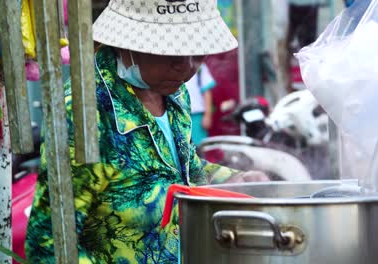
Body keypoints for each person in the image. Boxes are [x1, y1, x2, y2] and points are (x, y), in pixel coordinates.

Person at [25, 0, 269, 263]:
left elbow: (182, 170)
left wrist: (235, 180)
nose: (186, 67)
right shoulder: (85, 111)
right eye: (172, 53)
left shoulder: (175, 93)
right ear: (126, 43)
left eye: (198, 54)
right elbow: (48, 243)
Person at [185, 63, 216, 146]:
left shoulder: (199, 66)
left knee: (199, 148)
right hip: (175, 114)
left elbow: (206, 91)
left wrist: (207, 115)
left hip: (196, 117)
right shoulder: (170, 63)